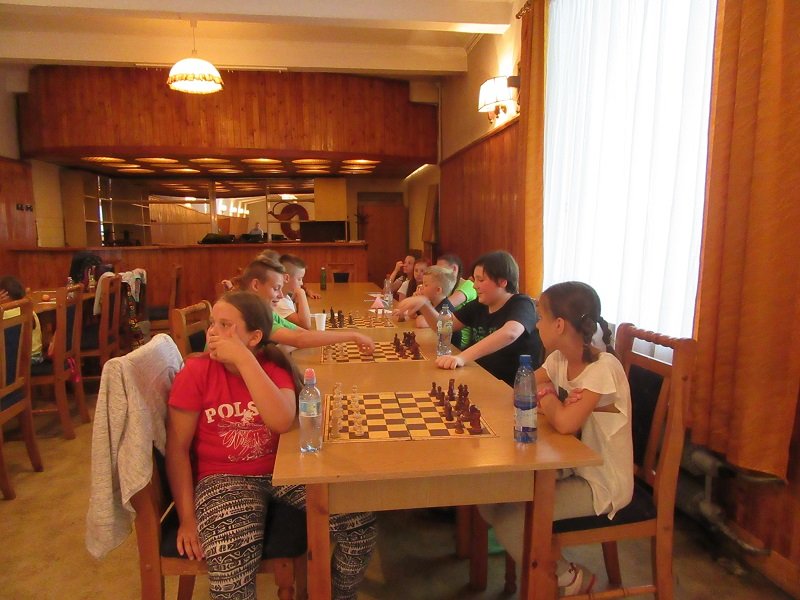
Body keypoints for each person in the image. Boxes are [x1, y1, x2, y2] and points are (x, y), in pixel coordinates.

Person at [165, 291, 377, 599]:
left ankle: (340, 595)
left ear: (254, 337)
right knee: (230, 577)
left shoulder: (275, 367)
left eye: (225, 325)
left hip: (283, 472)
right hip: (224, 478)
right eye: (212, 323)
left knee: (360, 525)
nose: (212, 332)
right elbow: (177, 450)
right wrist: (187, 518)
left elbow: (280, 421)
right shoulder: (196, 372)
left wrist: (243, 360)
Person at [479, 281, 633, 595]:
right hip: (571, 467)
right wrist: (554, 400)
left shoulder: (602, 368)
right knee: (487, 496)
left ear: (559, 325)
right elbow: (521, 387)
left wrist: (548, 398)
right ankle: (547, 563)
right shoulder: (560, 359)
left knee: (511, 519)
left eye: (540, 318)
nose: (536, 325)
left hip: (601, 483)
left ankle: (568, 577)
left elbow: (563, 423)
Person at [394, 250, 542, 386]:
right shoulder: (480, 305)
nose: (475, 286)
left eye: (481, 280)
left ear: (502, 281)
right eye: (475, 280)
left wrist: (461, 357)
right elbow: (444, 327)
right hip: (479, 377)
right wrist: (424, 305)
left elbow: (510, 333)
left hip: (511, 387)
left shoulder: (522, 303)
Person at [237, 258, 375, 354]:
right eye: (276, 288)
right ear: (256, 285)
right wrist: (353, 336)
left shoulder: (266, 312)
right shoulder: (252, 315)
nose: (280, 295)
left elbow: (303, 334)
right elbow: (300, 339)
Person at [0, 275, 44, 364]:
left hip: (18, 363)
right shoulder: (29, 310)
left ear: (4, 295)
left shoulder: (5, 314)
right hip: (37, 358)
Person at [274, 254, 312, 329]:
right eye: (299, 279)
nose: (302, 283)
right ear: (286, 278)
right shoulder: (278, 303)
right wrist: (301, 293)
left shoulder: (286, 296)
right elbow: (305, 326)